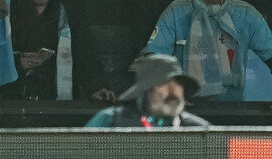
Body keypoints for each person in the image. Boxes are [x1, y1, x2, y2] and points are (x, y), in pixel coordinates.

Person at [82, 52, 214, 128]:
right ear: (146, 89)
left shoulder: (199, 129)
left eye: (179, 85)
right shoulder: (110, 120)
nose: (174, 92)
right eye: (165, 84)